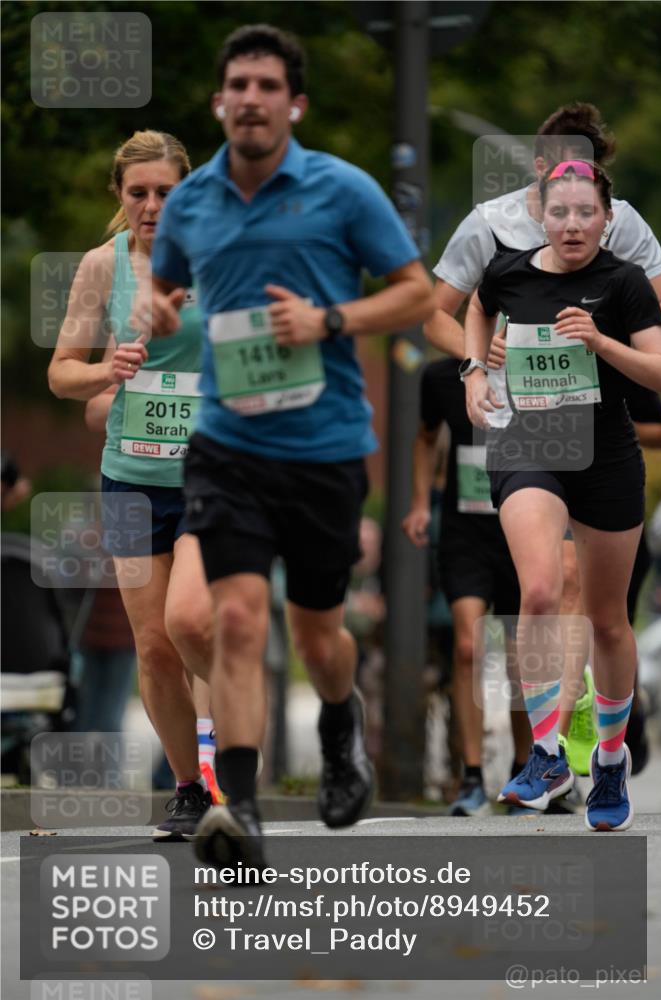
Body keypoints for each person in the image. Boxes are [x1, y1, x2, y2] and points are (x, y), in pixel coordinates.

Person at [138, 24, 434, 869]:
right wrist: (159, 310)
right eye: (239, 85)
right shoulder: (191, 200)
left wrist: (328, 320)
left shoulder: (342, 190)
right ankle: (239, 806)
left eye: (269, 86)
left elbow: (413, 294)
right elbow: (166, 286)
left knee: (316, 636)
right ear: (219, 101)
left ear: (293, 103)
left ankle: (341, 729)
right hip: (226, 446)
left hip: (324, 446)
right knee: (232, 619)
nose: (253, 99)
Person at [426, 102, 661, 778]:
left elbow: (659, 312)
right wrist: (478, 363)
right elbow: (442, 312)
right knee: (542, 587)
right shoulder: (490, 231)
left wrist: (606, 339)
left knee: (602, 611)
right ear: (536, 173)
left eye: (588, 194)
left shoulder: (621, 233)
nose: (572, 215)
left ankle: (608, 729)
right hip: (521, 432)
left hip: (605, 428)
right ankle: (547, 746)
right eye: (558, 196)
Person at [48, 130, 220, 840]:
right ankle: (188, 787)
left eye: (166, 192)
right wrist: (107, 370)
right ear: (120, 197)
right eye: (138, 193)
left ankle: (223, 771)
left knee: (193, 623)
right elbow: (62, 372)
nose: (153, 206)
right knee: (152, 645)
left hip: (214, 475)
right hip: (128, 479)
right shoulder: (101, 266)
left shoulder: (221, 254)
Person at [403, 357, 533, 817]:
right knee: (464, 646)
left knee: (521, 659)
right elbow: (424, 436)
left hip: (523, 531)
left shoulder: (532, 369)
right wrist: (421, 503)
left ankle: (526, 769)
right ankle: (472, 776)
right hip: (465, 534)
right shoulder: (442, 377)